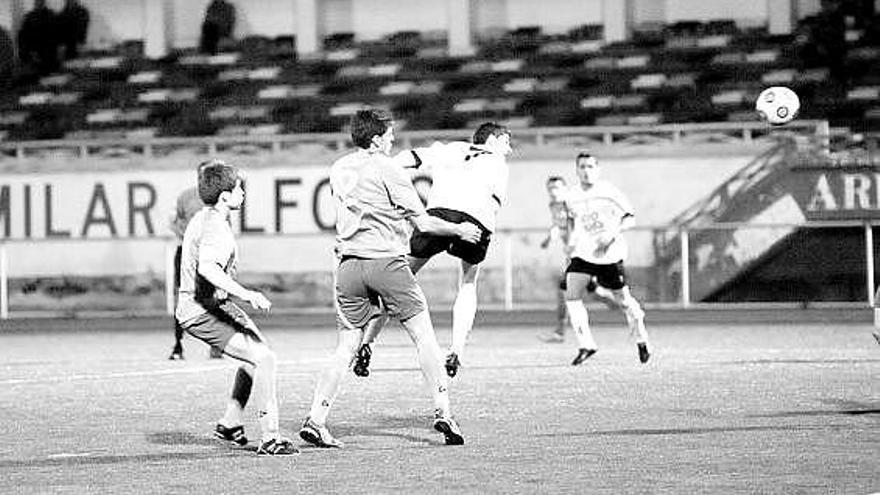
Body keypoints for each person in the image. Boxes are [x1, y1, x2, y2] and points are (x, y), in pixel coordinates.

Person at [298, 109, 481, 448]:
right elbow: (424, 224)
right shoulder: (389, 169)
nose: (394, 140)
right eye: (390, 135)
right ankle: (443, 411)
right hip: (386, 263)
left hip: (349, 266)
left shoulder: (339, 168)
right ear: (378, 138)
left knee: (345, 347)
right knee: (424, 337)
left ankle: (316, 419)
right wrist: (460, 229)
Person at [352, 122, 512, 379]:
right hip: (476, 219)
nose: (509, 148)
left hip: (438, 215)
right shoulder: (498, 162)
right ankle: (457, 350)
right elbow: (494, 202)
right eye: (506, 141)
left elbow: (409, 158)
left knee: (396, 281)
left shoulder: (449, 149)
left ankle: (366, 343)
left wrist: (383, 171)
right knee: (469, 281)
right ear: (491, 140)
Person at [175, 160, 297, 455]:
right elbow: (208, 269)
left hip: (212, 305)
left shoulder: (207, 217)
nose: (243, 192)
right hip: (203, 309)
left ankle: (230, 422)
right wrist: (247, 293)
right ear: (225, 196)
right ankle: (271, 437)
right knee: (264, 359)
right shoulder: (216, 225)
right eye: (238, 188)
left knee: (256, 357)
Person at [563, 152, 651, 366]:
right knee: (571, 294)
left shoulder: (609, 191)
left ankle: (641, 337)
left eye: (590, 166)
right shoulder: (571, 195)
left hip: (610, 255)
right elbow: (573, 223)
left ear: (598, 169)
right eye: (582, 167)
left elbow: (630, 218)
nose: (586, 171)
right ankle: (586, 344)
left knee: (624, 301)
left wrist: (610, 237)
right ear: (577, 171)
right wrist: (571, 243)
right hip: (584, 254)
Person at [537, 175, 617, 344]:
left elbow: (579, 225)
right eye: (550, 188)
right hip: (574, 255)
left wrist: (574, 245)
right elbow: (559, 226)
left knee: (564, 292)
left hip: (582, 254)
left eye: (557, 188)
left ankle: (560, 332)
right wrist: (549, 238)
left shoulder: (571, 203)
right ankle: (621, 304)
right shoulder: (553, 205)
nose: (553, 192)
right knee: (593, 292)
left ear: (565, 189)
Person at [168, 162, 224, 360]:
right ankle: (178, 344)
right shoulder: (186, 197)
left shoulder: (220, 198)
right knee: (182, 296)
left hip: (209, 254)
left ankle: (216, 345)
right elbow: (174, 223)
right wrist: (187, 237)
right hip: (186, 252)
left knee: (213, 297)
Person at [16, 0, 59, 76]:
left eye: (41, 1)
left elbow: (57, 35)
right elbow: (22, 38)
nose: (39, 3)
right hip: (34, 55)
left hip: (50, 55)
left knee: (51, 77)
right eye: (37, 1)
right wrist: (30, 54)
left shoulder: (52, 15)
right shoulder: (29, 17)